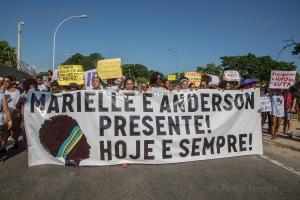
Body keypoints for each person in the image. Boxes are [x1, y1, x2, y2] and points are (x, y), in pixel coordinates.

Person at [2, 76, 21, 149]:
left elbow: (19, 102)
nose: (5, 83)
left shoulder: (17, 91)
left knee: (15, 130)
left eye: (7, 81)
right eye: (4, 81)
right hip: (6, 114)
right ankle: (3, 147)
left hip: (15, 113)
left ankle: (16, 142)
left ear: (11, 82)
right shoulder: (3, 91)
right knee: (5, 130)